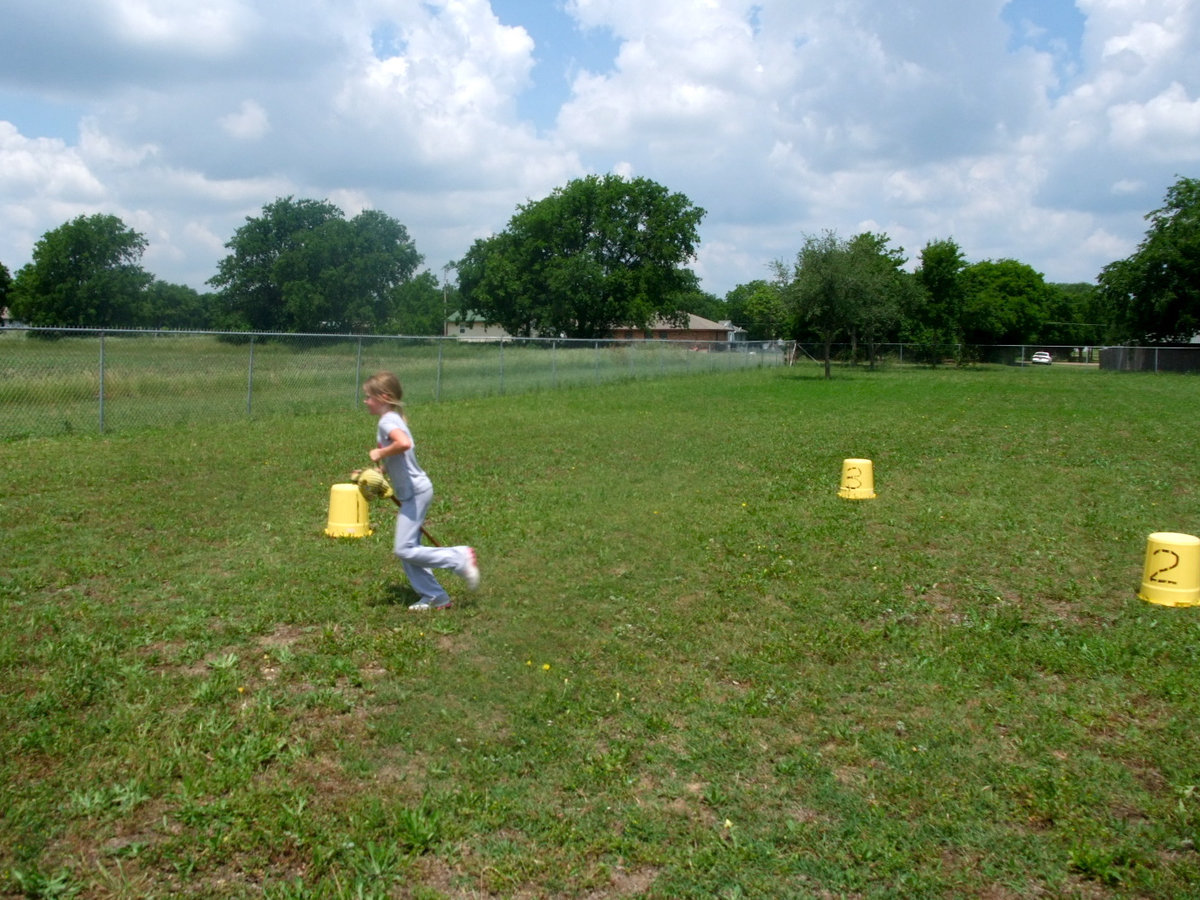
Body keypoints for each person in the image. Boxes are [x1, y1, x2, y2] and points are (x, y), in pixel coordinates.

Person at [363, 371, 479, 610]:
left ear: (384, 397)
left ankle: (459, 557)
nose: (366, 401)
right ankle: (435, 596)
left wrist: (380, 453)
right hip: (412, 491)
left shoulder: (387, 421)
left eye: (369, 397)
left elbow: (403, 444)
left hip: (415, 491)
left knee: (403, 548)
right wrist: (381, 470)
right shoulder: (391, 418)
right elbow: (402, 454)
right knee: (409, 549)